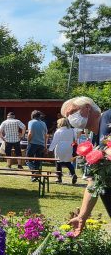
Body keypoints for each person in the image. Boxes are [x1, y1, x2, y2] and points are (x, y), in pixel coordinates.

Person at [64, 97, 107, 234]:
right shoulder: (93, 141)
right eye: (67, 116)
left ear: (87, 108)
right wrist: (82, 216)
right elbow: (92, 182)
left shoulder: (108, 117)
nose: (70, 118)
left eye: (72, 112)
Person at [49, 118, 78, 184]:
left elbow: (54, 141)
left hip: (60, 147)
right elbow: (75, 140)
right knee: (68, 162)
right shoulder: (72, 130)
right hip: (69, 147)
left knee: (58, 162)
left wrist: (50, 149)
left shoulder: (58, 131)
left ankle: (59, 178)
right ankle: (73, 174)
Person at [26, 110, 48, 180]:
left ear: (32, 116)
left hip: (33, 143)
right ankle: (34, 177)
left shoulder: (31, 122)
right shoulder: (43, 123)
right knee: (37, 161)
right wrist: (45, 145)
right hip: (41, 144)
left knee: (28, 159)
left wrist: (28, 141)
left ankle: (34, 172)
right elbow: (46, 135)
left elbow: (30, 133)